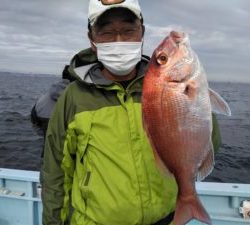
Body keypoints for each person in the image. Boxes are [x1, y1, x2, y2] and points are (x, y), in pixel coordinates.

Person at [41, 0, 222, 225]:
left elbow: (212, 141)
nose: (119, 40)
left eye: (128, 31)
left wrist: (198, 96)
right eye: (107, 33)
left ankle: (188, 199)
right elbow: (55, 171)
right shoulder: (73, 97)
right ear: (92, 40)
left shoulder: (161, 87)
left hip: (165, 218)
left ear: (142, 33)